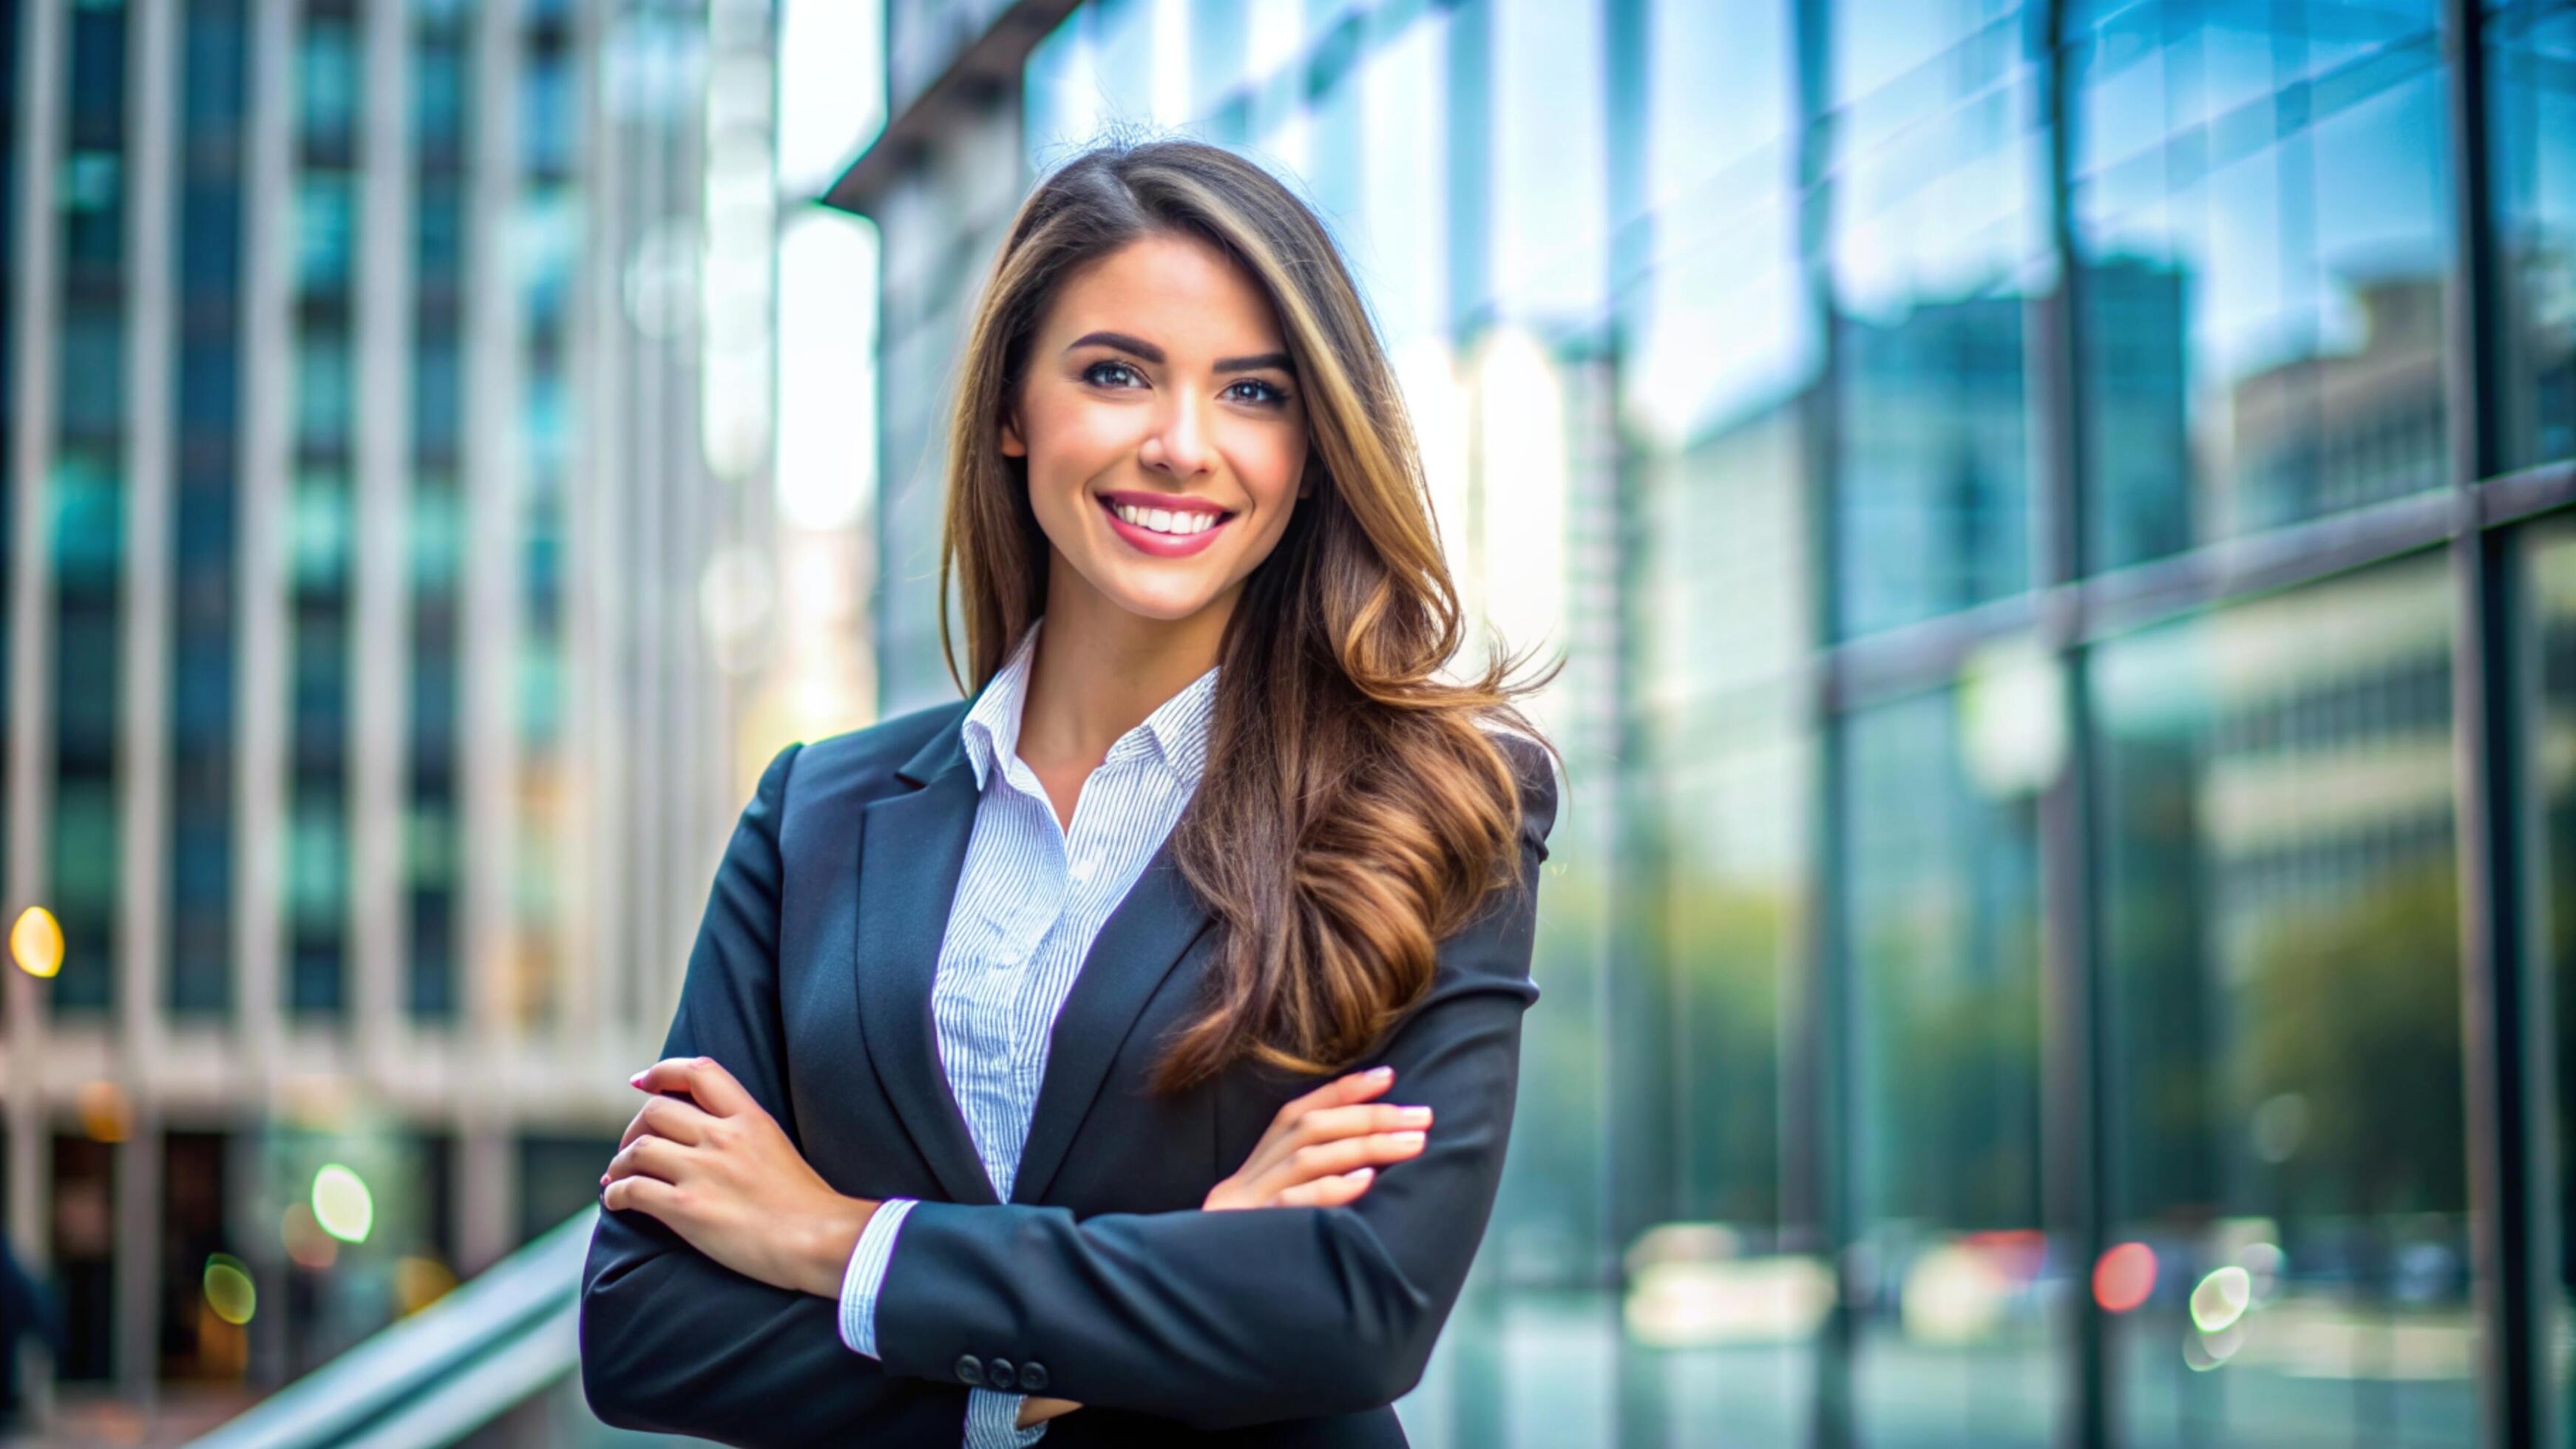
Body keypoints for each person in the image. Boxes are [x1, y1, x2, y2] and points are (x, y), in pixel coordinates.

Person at [577, 136, 1563, 1448]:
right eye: (1116, 374)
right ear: (1011, 408)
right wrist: (1170, 1293)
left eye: (1255, 393)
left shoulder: (1438, 805)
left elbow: (1354, 1307)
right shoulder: (814, 813)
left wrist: (832, 1239)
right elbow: (646, 1332)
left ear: (1317, 448)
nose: (1182, 445)